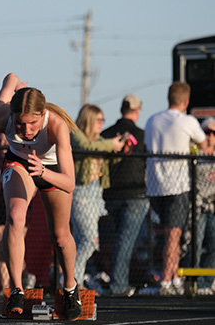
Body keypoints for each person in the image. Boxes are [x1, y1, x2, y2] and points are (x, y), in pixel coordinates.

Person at [0, 73, 82, 320]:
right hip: (20, 163)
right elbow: (9, 77)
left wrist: (43, 172)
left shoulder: (56, 126)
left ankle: (71, 287)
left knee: (60, 236)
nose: (26, 131)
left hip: (50, 170)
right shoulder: (0, 118)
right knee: (16, 217)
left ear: (42, 116)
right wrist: (15, 86)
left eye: (32, 124)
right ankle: (17, 290)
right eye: (20, 124)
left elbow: (70, 182)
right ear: (11, 116)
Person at [144, 82, 210, 295]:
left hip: (155, 185)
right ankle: (166, 280)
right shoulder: (187, 121)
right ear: (186, 101)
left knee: (168, 235)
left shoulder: (152, 120)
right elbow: (205, 146)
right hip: (177, 185)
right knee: (174, 236)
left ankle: (171, 277)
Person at [69, 104, 125, 290]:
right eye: (98, 120)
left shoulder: (100, 140)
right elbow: (86, 147)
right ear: (89, 119)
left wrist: (119, 149)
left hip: (96, 193)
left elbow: (106, 157)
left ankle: (74, 280)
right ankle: (71, 281)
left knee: (79, 240)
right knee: (89, 241)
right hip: (81, 191)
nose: (101, 123)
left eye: (103, 120)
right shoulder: (76, 135)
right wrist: (111, 145)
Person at [101, 95, 149, 297]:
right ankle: (119, 284)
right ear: (137, 111)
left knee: (110, 240)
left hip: (110, 194)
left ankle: (109, 279)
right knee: (125, 240)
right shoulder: (143, 135)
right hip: (135, 194)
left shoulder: (106, 133)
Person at [0, 134, 36, 292]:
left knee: (13, 243)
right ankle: (5, 287)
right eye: (0, 138)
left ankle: (23, 277)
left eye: (6, 138)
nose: (2, 142)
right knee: (2, 247)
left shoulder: (23, 159)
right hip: (0, 211)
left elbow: (34, 186)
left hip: (19, 210)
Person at [192, 118, 215, 295]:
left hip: (213, 208)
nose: (210, 137)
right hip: (198, 207)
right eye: (206, 132)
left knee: (213, 245)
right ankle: (196, 283)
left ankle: (207, 282)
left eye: (214, 133)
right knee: (196, 245)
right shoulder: (194, 154)